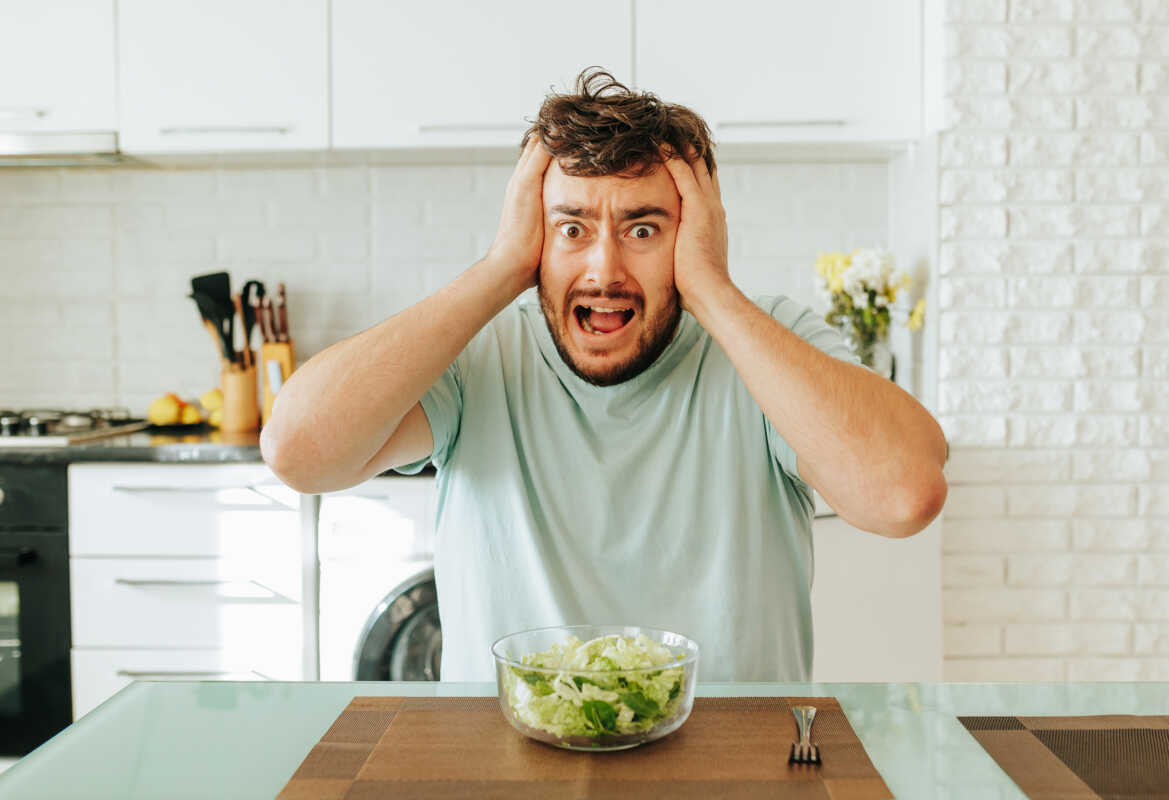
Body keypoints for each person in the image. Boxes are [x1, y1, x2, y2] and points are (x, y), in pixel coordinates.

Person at [262, 68, 948, 682]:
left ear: (694, 232)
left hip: (735, 767)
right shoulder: (476, 358)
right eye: (572, 228)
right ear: (533, 235)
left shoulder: (770, 345)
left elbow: (904, 496)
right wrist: (500, 269)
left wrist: (711, 289)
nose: (605, 270)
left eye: (644, 229)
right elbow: (298, 453)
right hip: (510, 768)